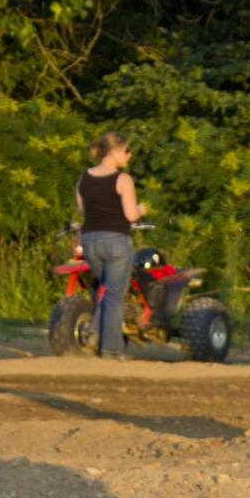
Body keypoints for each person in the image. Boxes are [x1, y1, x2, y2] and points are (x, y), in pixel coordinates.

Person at [75, 132, 148, 358]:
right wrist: (142, 209)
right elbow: (130, 215)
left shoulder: (83, 179)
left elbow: (83, 210)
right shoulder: (123, 180)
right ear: (114, 151)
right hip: (116, 242)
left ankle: (94, 332)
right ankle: (112, 350)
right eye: (126, 151)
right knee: (115, 295)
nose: (129, 155)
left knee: (106, 289)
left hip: (90, 242)